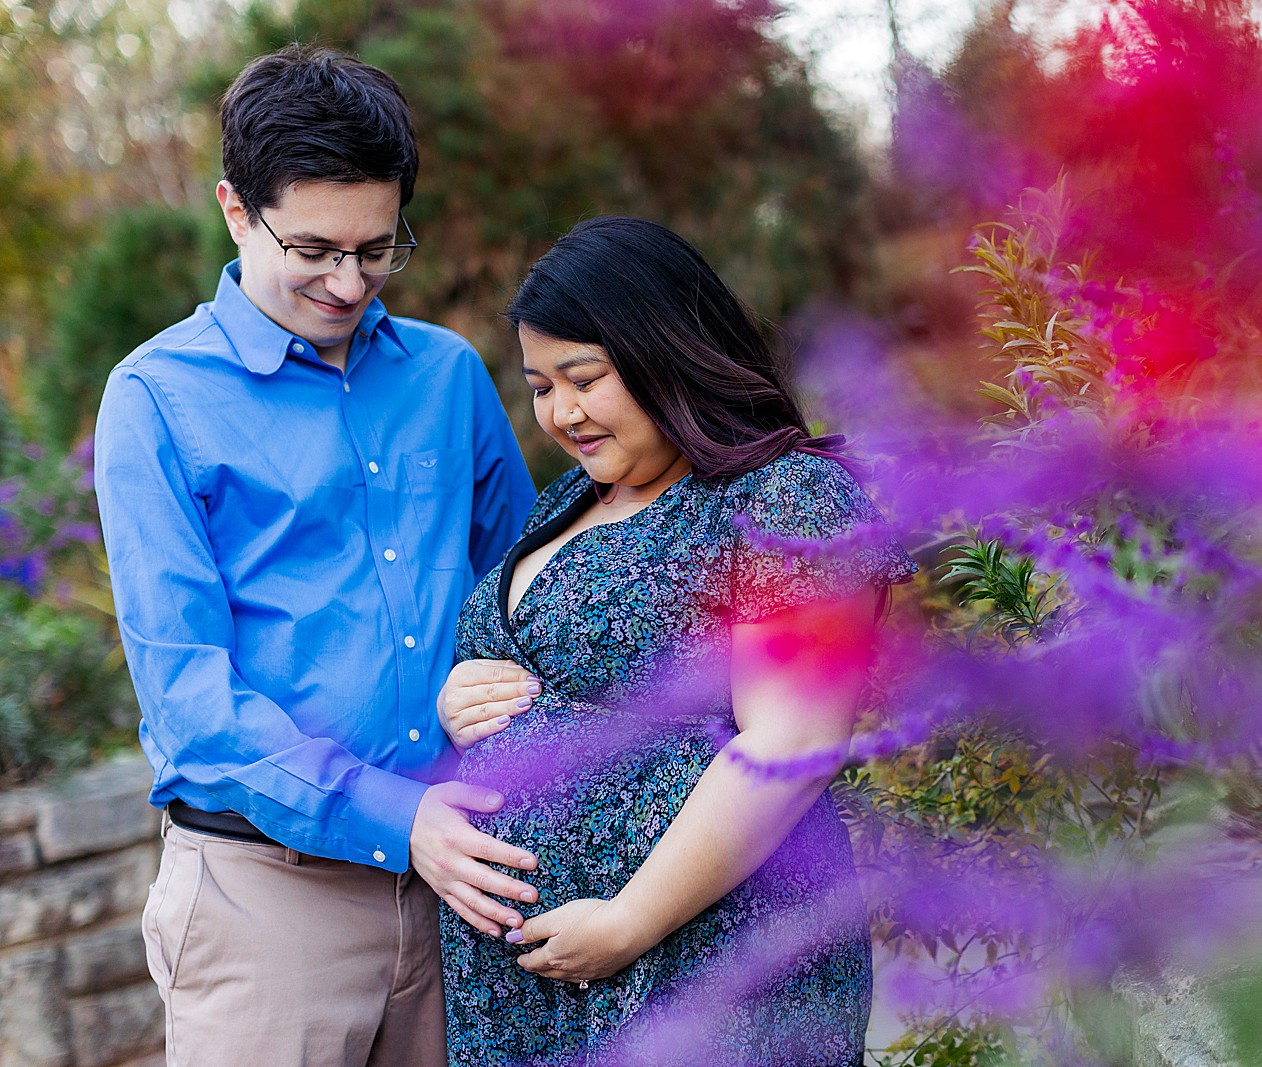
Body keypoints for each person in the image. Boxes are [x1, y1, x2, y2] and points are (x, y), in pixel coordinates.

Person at [93, 46, 540, 1067]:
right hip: (264, 905)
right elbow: (193, 698)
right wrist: (398, 814)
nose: (348, 283)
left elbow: (522, 599)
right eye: (314, 248)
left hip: (460, 893)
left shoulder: (447, 376)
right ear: (235, 211)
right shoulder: (156, 397)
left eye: (378, 250)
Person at [435, 216, 916, 1066]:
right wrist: (463, 693)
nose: (561, 412)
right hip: (531, 992)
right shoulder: (568, 499)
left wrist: (629, 919)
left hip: (706, 968)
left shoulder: (785, 500)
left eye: (584, 377)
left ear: (667, 350)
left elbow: (793, 739)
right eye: (542, 385)